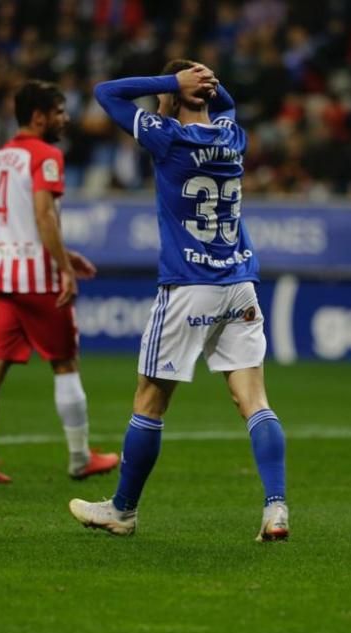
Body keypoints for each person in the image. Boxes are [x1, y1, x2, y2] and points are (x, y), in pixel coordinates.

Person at [68, 61, 289, 541]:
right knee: (254, 401)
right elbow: (224, 103)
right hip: (240, 285)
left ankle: (123, 510)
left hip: (189, 286)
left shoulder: (166, 136)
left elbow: (107, 92)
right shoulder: (233, 136)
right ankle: (276, 507)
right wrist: (206, 84)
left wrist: (172, 83)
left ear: (170, 99)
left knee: (149, 401)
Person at [0, 80, 119, 484]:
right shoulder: (47, 156)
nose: (66, 119)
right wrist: (63, 269)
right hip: (36, 276)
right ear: (39, 116)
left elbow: (20, 217)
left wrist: (68, 255)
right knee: (65, 362)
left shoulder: (2, 156)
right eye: (60, 112)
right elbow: (44, 215)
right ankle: (80, 456)